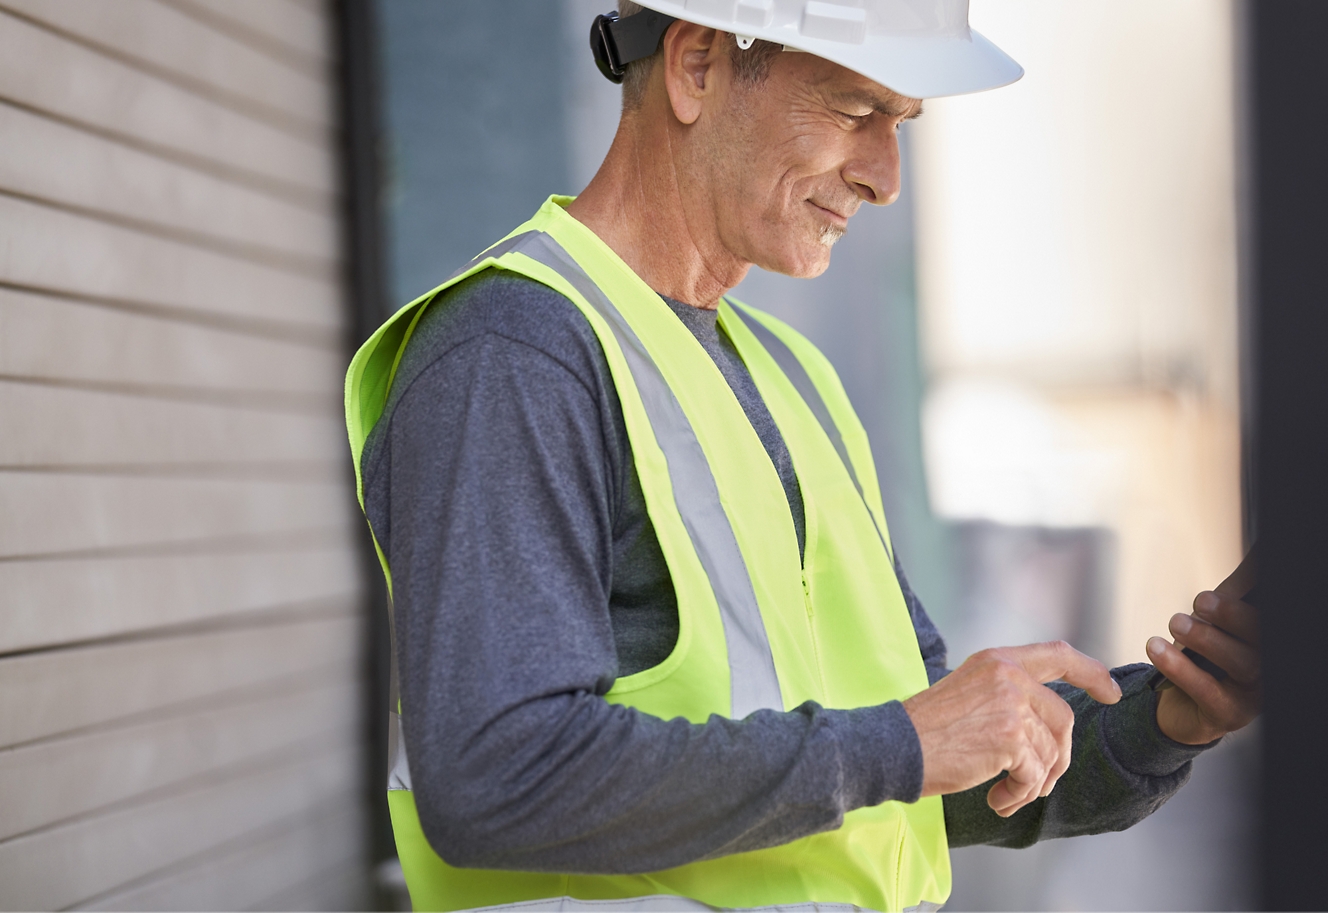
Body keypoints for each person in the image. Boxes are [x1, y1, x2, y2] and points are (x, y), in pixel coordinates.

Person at [344, 2, 1261, 910]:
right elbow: (501, 776)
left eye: (902, 123)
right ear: (698, 63)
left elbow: (900, 776)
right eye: (855, 110)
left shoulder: (794, 379)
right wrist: (904, 742)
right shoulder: (513, 355)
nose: (885, 177)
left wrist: (1170, 717)